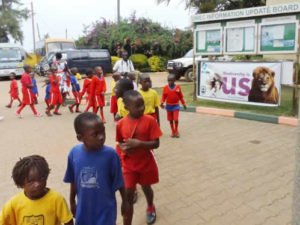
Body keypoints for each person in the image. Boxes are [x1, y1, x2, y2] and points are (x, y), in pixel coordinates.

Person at [64, 112, 128, 225]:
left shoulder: (111, 155)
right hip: (84, 210)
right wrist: (72, 202)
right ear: (80, 138)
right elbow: (73, 180)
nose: (101, 136)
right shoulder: (74, 153)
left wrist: (125, 201)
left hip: (106, 211)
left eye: (103, 130)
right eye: (95, 134)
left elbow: (120, 181)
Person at [116, 90, 162, 225]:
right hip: (129, 165)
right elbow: (119, 142)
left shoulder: (150, 120)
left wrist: (139, 144)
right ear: (126, 108)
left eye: (142, 104)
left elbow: (156, 143)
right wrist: (123, 147)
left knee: (146, 188)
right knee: (128, 194)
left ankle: (150, 206)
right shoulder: (121, 124)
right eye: (137, 106)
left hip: (146, 163)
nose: (142, 108)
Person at [0, 155, 74, 225]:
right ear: (21, 184)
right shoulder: (14, 204)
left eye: (41, 178)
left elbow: (68, 221)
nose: (37, 184)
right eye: (31, 182)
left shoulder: (56, 199)